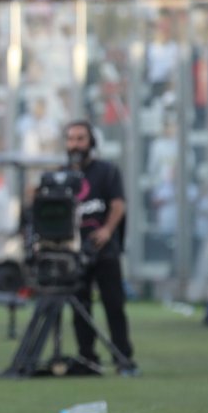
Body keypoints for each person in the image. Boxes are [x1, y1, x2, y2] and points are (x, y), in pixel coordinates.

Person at [64, 120, 137, 376]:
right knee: (80, 307)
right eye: (71, 138)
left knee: (114, 305)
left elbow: (118, 204)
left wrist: (107, 230)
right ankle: (87, 358)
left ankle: (123, 359)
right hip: (74, 252)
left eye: (80, 138)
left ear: (91, 142)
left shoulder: (106, 171)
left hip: (104, 250)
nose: (75, 144)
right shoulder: (62, 175)